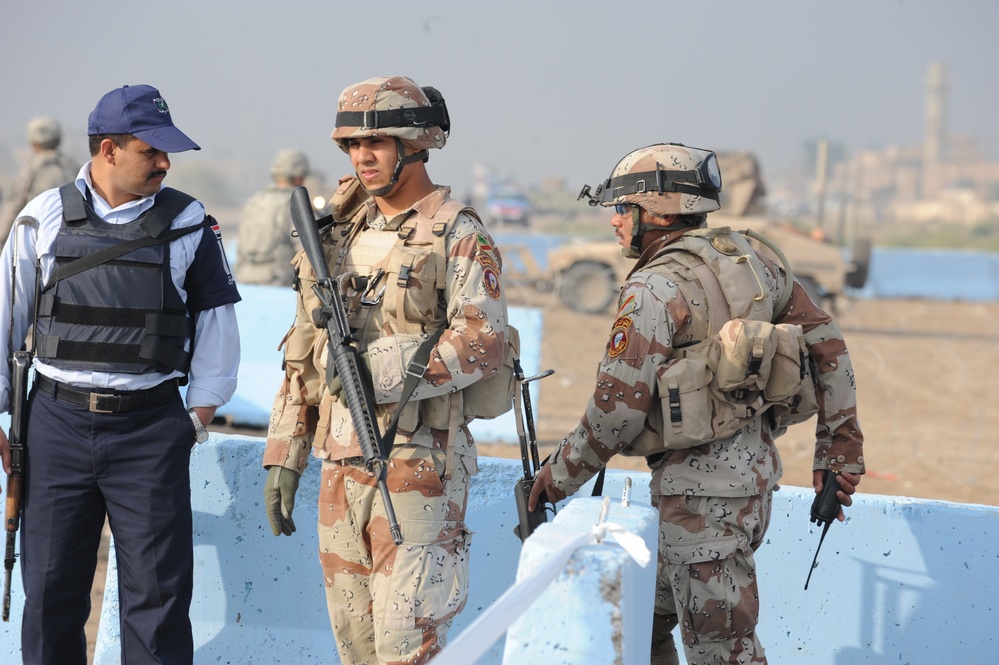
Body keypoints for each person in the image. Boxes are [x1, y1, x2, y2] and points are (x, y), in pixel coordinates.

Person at [529, 143, 864, 665]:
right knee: (644, 623)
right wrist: (838, 457)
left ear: (656, 212)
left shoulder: (654, 286)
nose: (614, 221)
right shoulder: (755, 263)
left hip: (701, 508)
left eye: (623, 208)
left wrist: (557, 476)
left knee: (723, 652)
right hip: (745, 490)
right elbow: (831, 352)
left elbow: (616, 411)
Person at [262, 75, 511, 664]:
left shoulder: (458, 233)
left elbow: (485, 340)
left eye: (376, 143)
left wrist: (381, 369)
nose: (361, 157)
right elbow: (305, 349)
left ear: (416, 145)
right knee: (356, 647)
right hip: (339, 467)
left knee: (408, 648)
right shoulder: (338, 234)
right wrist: (285, 450)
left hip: (420, 466)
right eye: (351, 146)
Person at [0, 84, 241, 665]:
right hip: (55, 424)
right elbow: (7, 318)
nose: (164, 162)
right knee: (52, 594)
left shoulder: (188, 223)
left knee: (157, 599)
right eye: (150, 150)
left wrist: (196, 417)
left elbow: (218, 330)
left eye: (167, 152)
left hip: (150, 431)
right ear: (108, 149)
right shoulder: (43, 217)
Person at [234, 149, 310, 285]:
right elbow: (307, 250)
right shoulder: (294, 203)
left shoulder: (254, 201)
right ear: (299, 176)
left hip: (245, 278)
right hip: (279, 281)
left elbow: (241, 245)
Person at [0, 117, 81, 242]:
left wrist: (2, 238)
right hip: (72, 239)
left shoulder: (29, 170)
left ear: (33, 142)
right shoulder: (73, 167)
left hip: (38, 241)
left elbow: (13, 205)